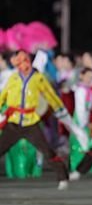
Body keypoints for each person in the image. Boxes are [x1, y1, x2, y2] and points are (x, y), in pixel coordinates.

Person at [0, 50, 71, 189]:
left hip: (30, 122)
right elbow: (3, 95)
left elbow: (50, 94)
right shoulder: (13, 78)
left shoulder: (38, 78)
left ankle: (62, 176)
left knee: (46, 150)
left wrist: (59, 108)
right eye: (19, 61)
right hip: (13, 122)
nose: (22, 64)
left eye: (24, 60)